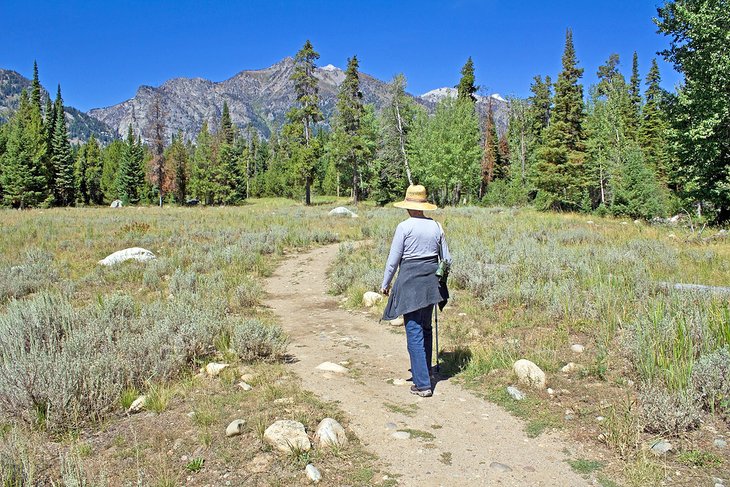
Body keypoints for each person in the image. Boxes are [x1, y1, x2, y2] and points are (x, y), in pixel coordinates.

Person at [380, 184, 450, 397]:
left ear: (408, 206)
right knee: (425, 327)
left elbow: (393, 261)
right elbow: (446, 259)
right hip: (430, 284)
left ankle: (422, 383)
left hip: (410, 283)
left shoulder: (404, 227)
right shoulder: (436, 226)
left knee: (414, 331)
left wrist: (385, 283)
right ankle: (425, 372)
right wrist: (441, 281)